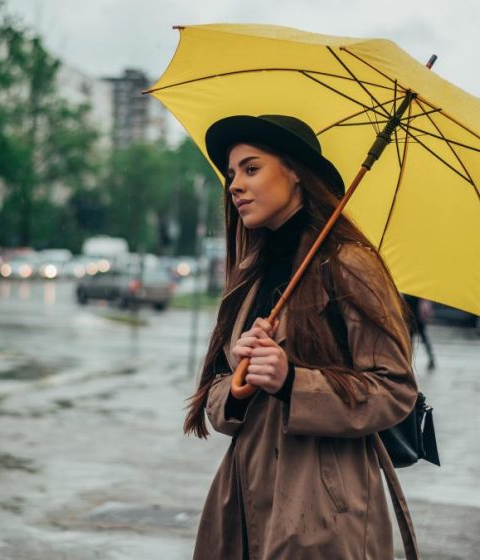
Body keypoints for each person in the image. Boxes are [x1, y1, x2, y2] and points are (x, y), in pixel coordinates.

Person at [185, 115, 420, 559]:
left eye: (251, 169)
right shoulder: (250, 275)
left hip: (322, 508)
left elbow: (394, 390)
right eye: (232, 174)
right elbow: (216, 397)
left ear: (295, 172)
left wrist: (291, 381)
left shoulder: (348, 264)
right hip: (242, 500)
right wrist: (238, 386)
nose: (234, 184)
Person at [403, 294, 437, 370]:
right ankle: (408, 360)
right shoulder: (411, 292)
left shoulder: (411, 292)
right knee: (411, 342)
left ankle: (408, 360)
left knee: (413, 341)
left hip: (416, 320)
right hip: (412, 320)